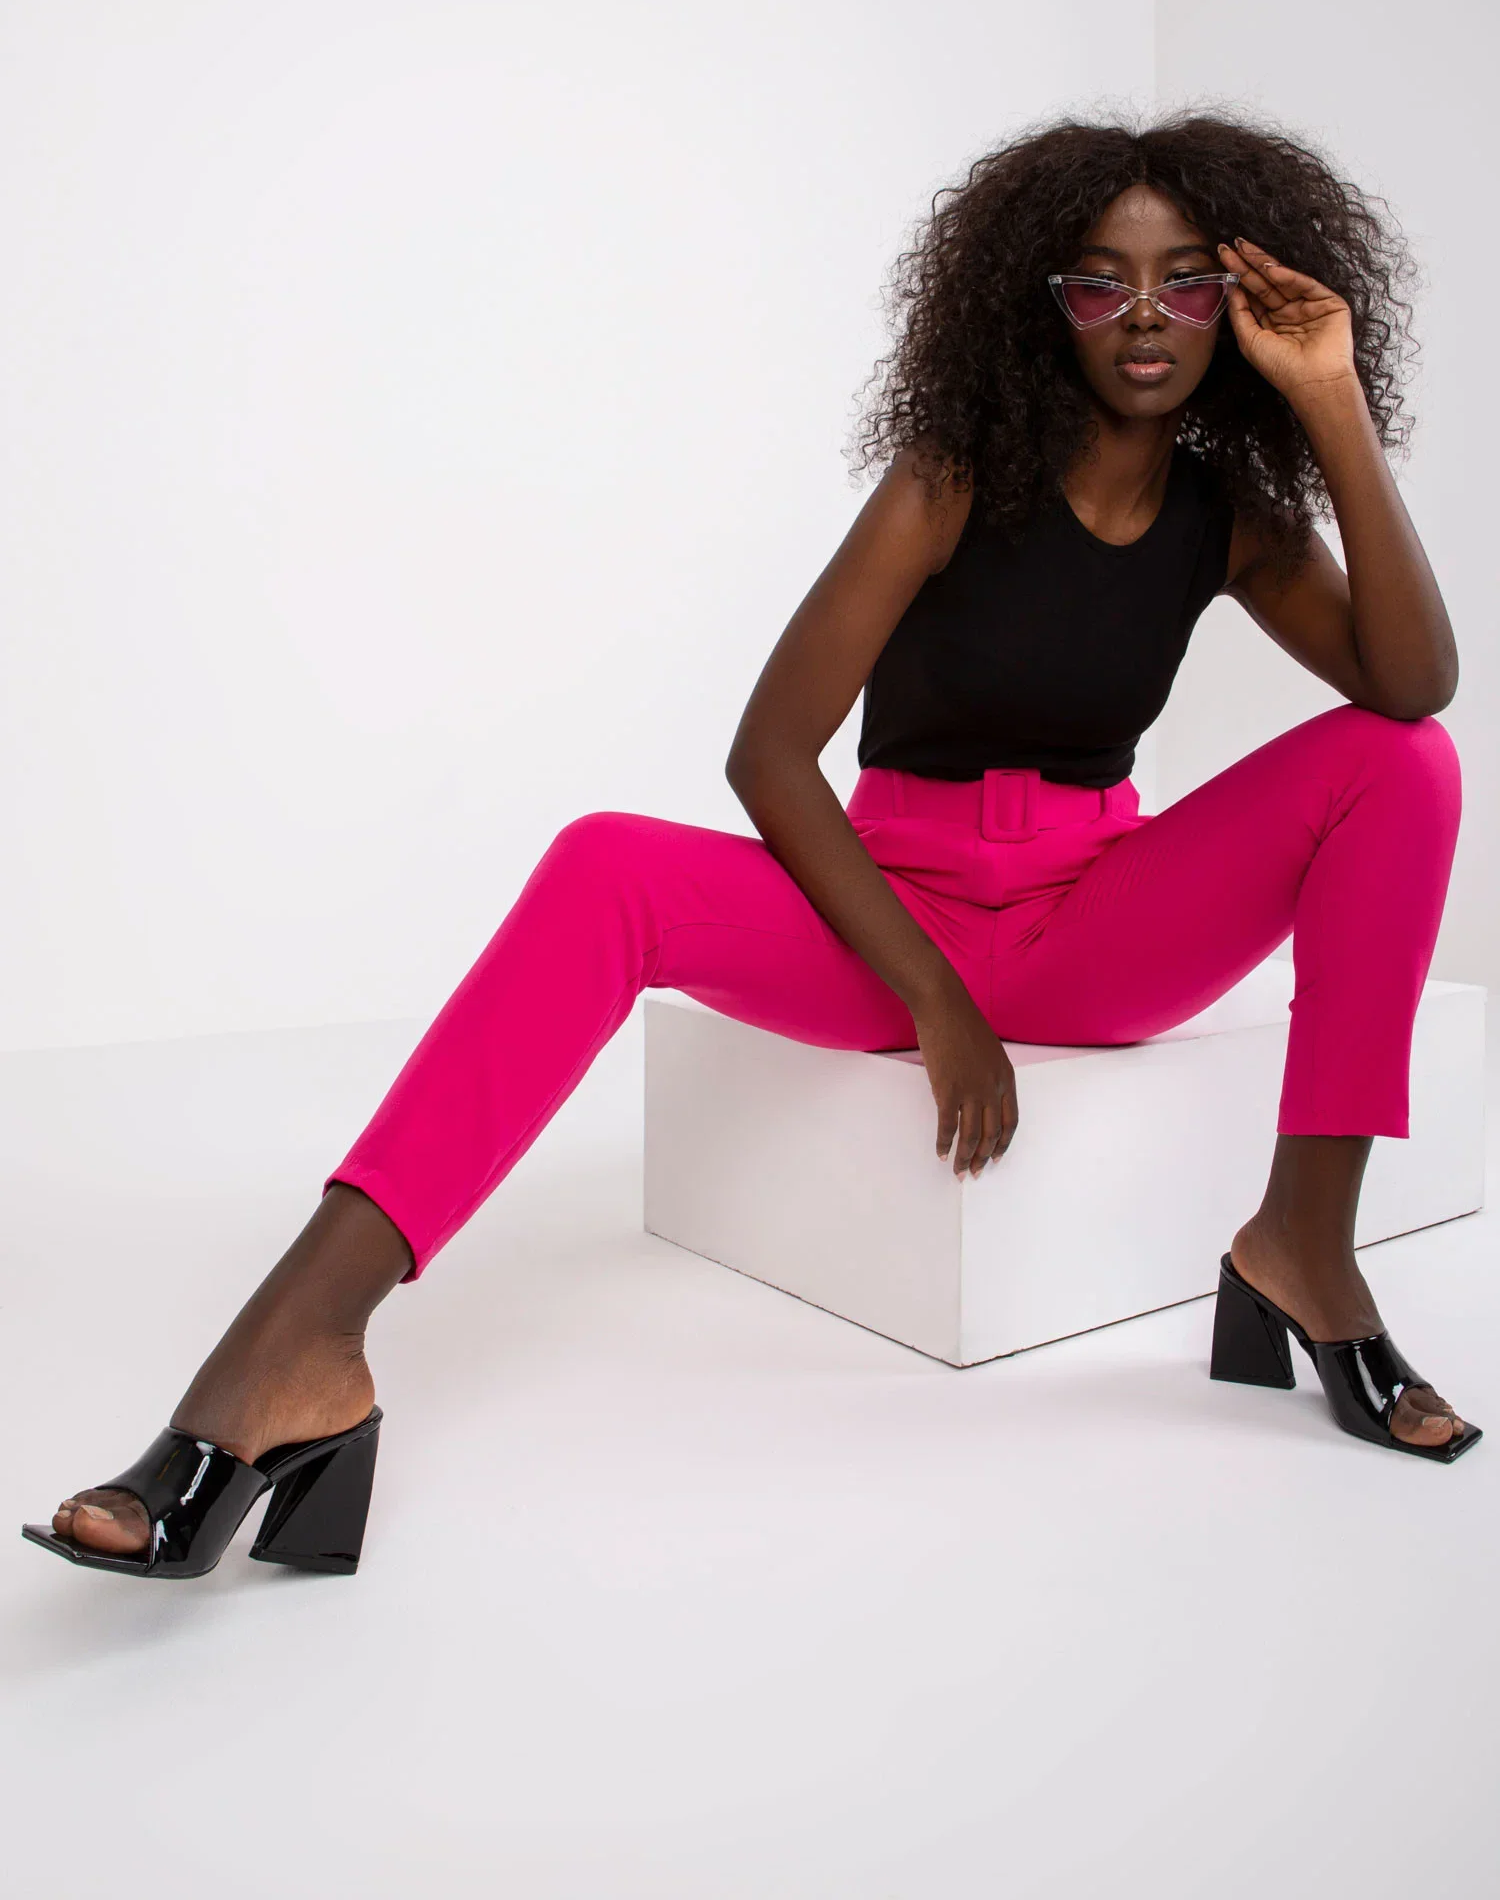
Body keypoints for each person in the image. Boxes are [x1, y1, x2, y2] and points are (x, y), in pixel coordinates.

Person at [25, 107, 1479, 1582]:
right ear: (1041, 301)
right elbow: (770, 754)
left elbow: (1412, 680)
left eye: (1188, 283)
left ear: (1238, 302)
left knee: (1402, 760)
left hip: (1095, 921)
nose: (1147, 315)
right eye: (1102, 281)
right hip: (886, 913)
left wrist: (1331, 398)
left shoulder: (1231, 518)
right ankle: (300, 1348)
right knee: (607, 861)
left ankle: (1307, 1250)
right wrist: (936, 1001)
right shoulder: (952, 475)